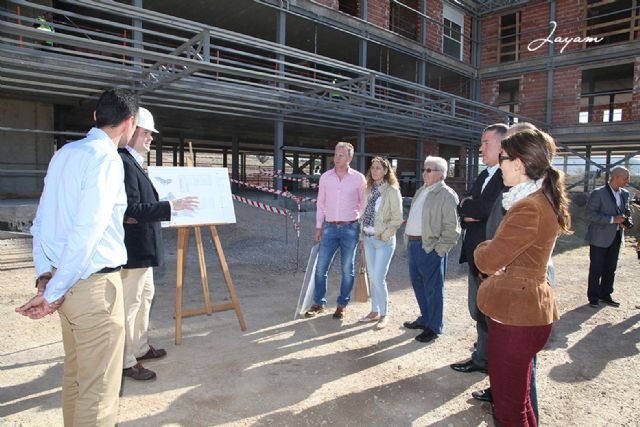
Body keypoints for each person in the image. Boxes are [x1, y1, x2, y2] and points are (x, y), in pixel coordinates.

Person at [16, 88, 139, 426]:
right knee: (97, 392)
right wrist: (51, 291)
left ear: (95, 117)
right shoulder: (107, 159)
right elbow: (87, 233)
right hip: (93, 290)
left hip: (66, 282)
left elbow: (41, 222)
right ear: (129, 123)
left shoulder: (65, 154)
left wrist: (47, 278)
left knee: (75, 378)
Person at [474, 128, 571, 426]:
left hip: (516, 317)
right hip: (527, 313)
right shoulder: (536, 200)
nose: (498, 164)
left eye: (502, 158)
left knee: (508, 408)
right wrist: (503, 260)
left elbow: (489, 259)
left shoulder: (528, 207)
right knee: (520, 401)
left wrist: (484, 248)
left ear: (517, 163)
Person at [119, 107, 199, 381]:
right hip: (133, 252)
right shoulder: (123, 163)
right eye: (146, 132)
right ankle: (125, 360)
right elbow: (130, 210)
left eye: (151, 134)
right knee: (129, 306)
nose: (150, 137)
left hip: (144, 251)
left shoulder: (134, 162)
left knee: (145, 298)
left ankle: (139, 347)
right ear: (130, 131)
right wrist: (169, 206)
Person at [450, 123, 508, 374]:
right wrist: (467, 210)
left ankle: (490, 364)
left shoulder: (506, 177)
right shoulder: (485, 175)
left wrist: (469, 209)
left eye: (486, 142)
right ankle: (482, 357)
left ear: (502, 146)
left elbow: (482, 210)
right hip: (476, 255)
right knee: (479, 310)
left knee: (491, 315)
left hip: (493, 260)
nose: (481, 148)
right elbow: (464, 208)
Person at [306, 142, 366, 319]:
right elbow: (321, 203)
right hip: (329, 228)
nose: (336, 158)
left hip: (351, 228)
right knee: (320, 267)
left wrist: (362, 233)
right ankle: (318, 303)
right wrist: (318, 226)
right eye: (335, 154)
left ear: (349, 158)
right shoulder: (325, 177)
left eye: (340, 155)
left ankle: (342, 304)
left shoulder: (358, 179)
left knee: (347, 269)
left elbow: (363, 206)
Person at [403, 156, 460, 343]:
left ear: (441, 174)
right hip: (413, 244)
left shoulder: (446, 195)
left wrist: (440, 250)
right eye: (424, 169)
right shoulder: (422, 190)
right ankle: (425, 318)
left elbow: (452, 228)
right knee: (419, 284)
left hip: (430, 247)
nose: (424, 173)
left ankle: (434, 326)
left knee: (433, 289)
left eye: (428, 170)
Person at [357, 157, 403, 329]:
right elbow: (363, 216)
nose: (375, 170)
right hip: (368, 239)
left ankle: (384, 314)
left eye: (378, 168)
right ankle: (374, 311)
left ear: (386, 171)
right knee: (372, 276)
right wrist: (362, 238)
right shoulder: (368, 190)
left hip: (383, 241)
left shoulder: (392, 191)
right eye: (373, 167)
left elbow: (397, 219)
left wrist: (384, 235)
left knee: (378, 278)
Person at [586, 165, 631, 308]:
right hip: (599, 237)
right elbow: (590, 214)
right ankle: (593, 297)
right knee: (596, 268)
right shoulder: (598, 193)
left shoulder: (625, 194)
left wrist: (626, 222)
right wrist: (612, 219)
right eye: (626, 178)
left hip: (617, 235)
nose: (628, 181)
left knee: (611, 268)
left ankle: (606, 294)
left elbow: (626, 212)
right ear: (616, 177)